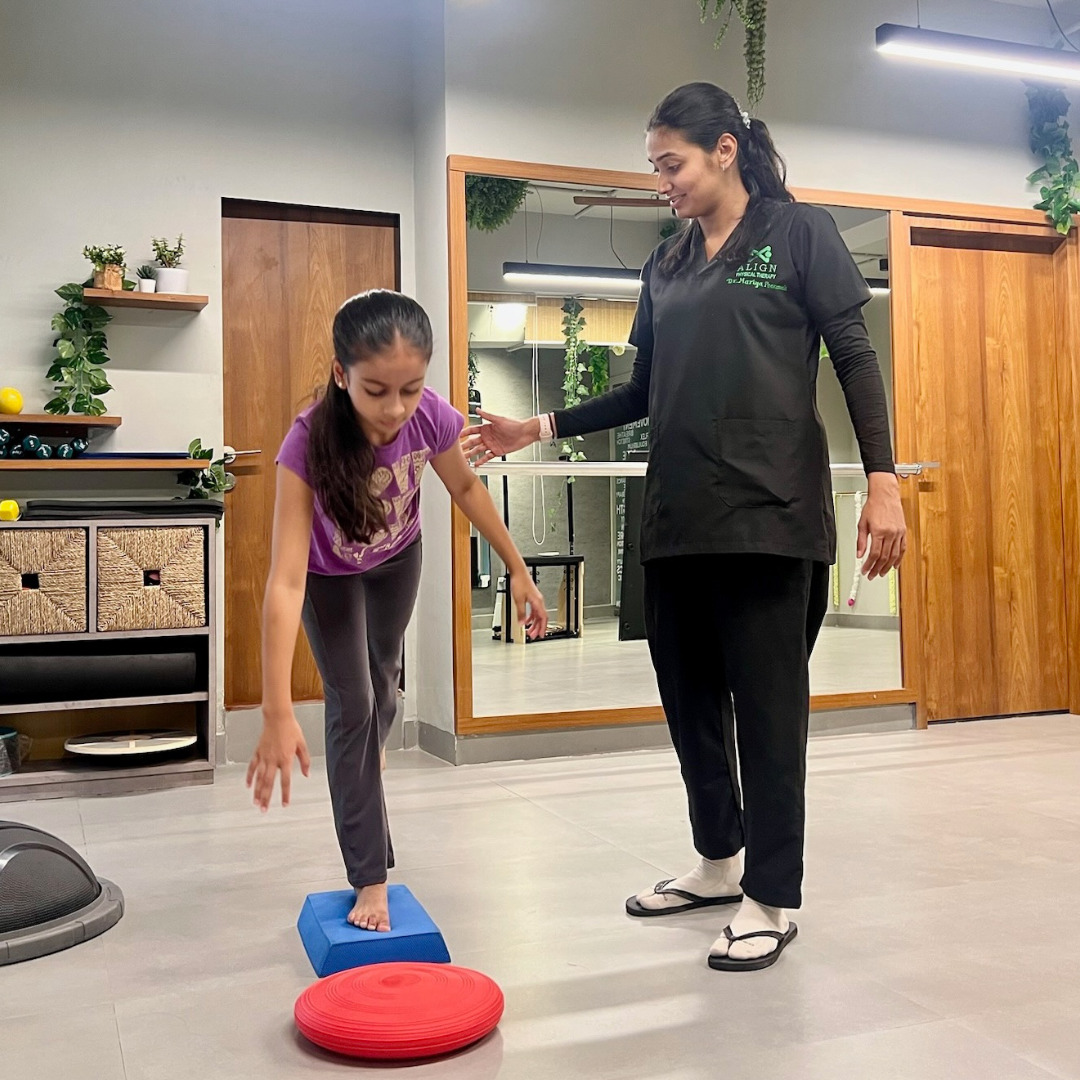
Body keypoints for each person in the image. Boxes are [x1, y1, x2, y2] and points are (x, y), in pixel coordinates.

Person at [461, 82, 906, 971]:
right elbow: (641, 391)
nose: (661, 182)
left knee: (769, 716)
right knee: (691, 704)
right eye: (655, 167)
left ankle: (771, 896)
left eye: (672, 164)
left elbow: (855, 358)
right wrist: (534, 427)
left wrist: (884, 482)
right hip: (676, 517)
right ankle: (717, 862)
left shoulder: (798, 234)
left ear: (724, 151)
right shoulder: (664, 263)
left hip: (771, 518)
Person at [247, 289, 547, 933]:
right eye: (376, 390)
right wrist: (275, 708)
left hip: (396, 560)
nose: (395, 409)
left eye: (410, 389)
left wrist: (518, 567)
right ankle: (370, 876)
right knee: (353, 706)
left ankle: (368, 752)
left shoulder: (430, 415)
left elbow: (464, 485)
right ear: (341, 374)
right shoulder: (307, 442)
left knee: (384, 688)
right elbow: (285, 582)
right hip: (328, 576)